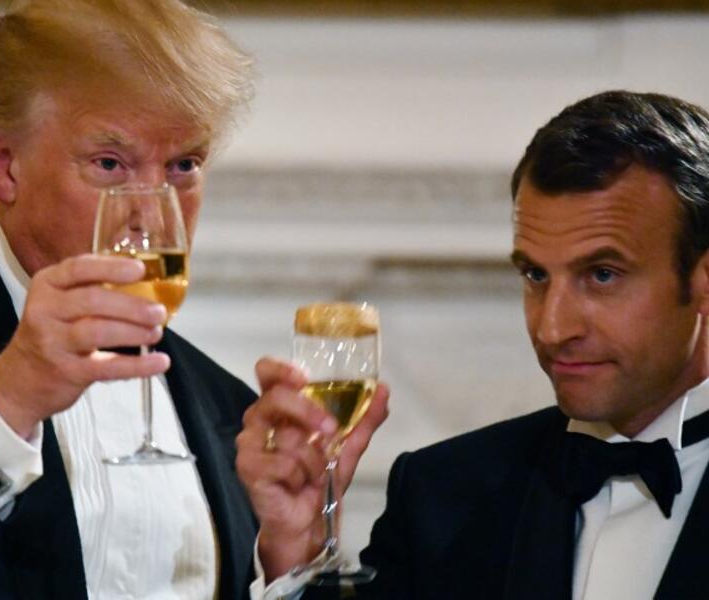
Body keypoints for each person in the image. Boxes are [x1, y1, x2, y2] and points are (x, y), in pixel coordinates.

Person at [237, 90, 709, 599]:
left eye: (602, 275)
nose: (552, 329)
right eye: (535, 275)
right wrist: (296, 550)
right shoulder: (441, 494)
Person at [0, 1, 263, 597]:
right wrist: (7, 399)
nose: (153, 216)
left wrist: (286, 556)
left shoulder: (230, 406)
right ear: (4, 163)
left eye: (183, 165)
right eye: (110, 164)